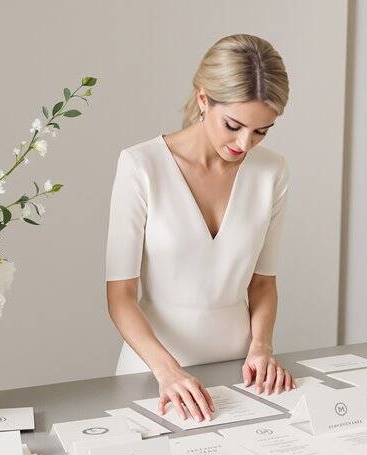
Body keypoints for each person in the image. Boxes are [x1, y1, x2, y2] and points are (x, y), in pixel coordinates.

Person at [105, 34, 294, 423]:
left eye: (262, 131)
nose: (245, 143)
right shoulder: (141, 166)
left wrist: (262, 347)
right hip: (155, 373)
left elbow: (263, 283)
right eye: (233, 125)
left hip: (242, 372)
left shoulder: (271, 172)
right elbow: (120, 295)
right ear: (203, 99)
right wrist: (167, 371)